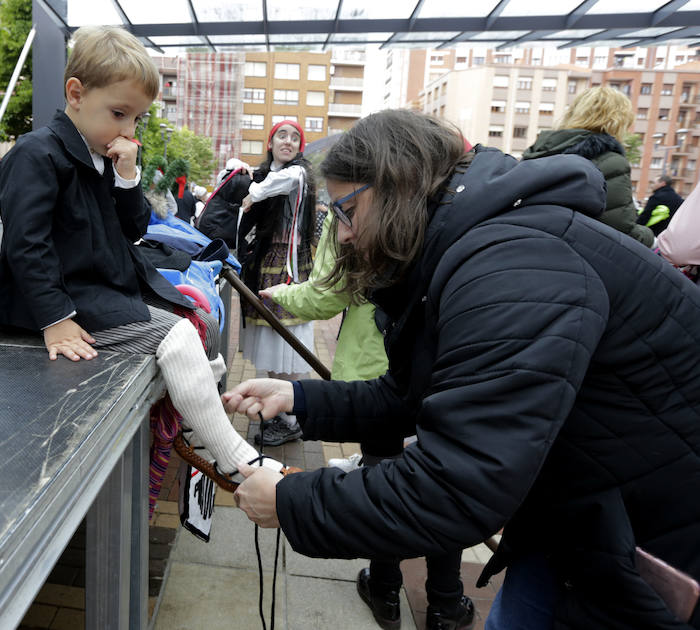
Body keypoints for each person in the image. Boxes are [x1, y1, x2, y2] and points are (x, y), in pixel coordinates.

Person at [223, 109, 700, 629]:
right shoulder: (470, 248)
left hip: (653, 545)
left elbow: (459, 483)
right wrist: (302, 399)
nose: (343, 236)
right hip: (581, 525)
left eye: (345, 211)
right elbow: (410, 396)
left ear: (398, 188)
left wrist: (293, 501)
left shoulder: (513, 264)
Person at [0, 25, 287, 490]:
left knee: (195, 314)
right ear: (75, 94)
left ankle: (197, 388)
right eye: (119, 113)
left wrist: (126, 175)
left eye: (136, 119)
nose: (128, 131)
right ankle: (233, 458)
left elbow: (135, 227)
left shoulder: (102, 153)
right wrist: (55, 317)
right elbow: (26, 243)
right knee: (178, 336)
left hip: (101, 284)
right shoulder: (37, 153)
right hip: (61, 297)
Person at [260, 211, 474, 629]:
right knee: (444, 477)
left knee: (384, 475)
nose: (343, 229)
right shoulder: (448, 215)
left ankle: (385, 589)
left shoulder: (354, 212)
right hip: (437, 371)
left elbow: (325, 295)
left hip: (374, 373)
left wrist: (281, 293)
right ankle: (445, 603)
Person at [236, 120, 317, 447]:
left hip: (289, 266)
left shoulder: (298, 174)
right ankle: (285, 416)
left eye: (295, 137)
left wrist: (251, 192)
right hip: (264, 264)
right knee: (271, 343)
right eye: (282, 135)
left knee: (287, 344)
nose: (288, 141)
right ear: (270, 143)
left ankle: (293, 417)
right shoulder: (266, 174)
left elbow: (270, 185)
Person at [522, 85, 654, 247]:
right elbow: (618, 231)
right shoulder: (611, 162)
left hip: (526, 247)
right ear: (617, 122)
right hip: (572, 257)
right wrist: (651, 239)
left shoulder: (539, 152)